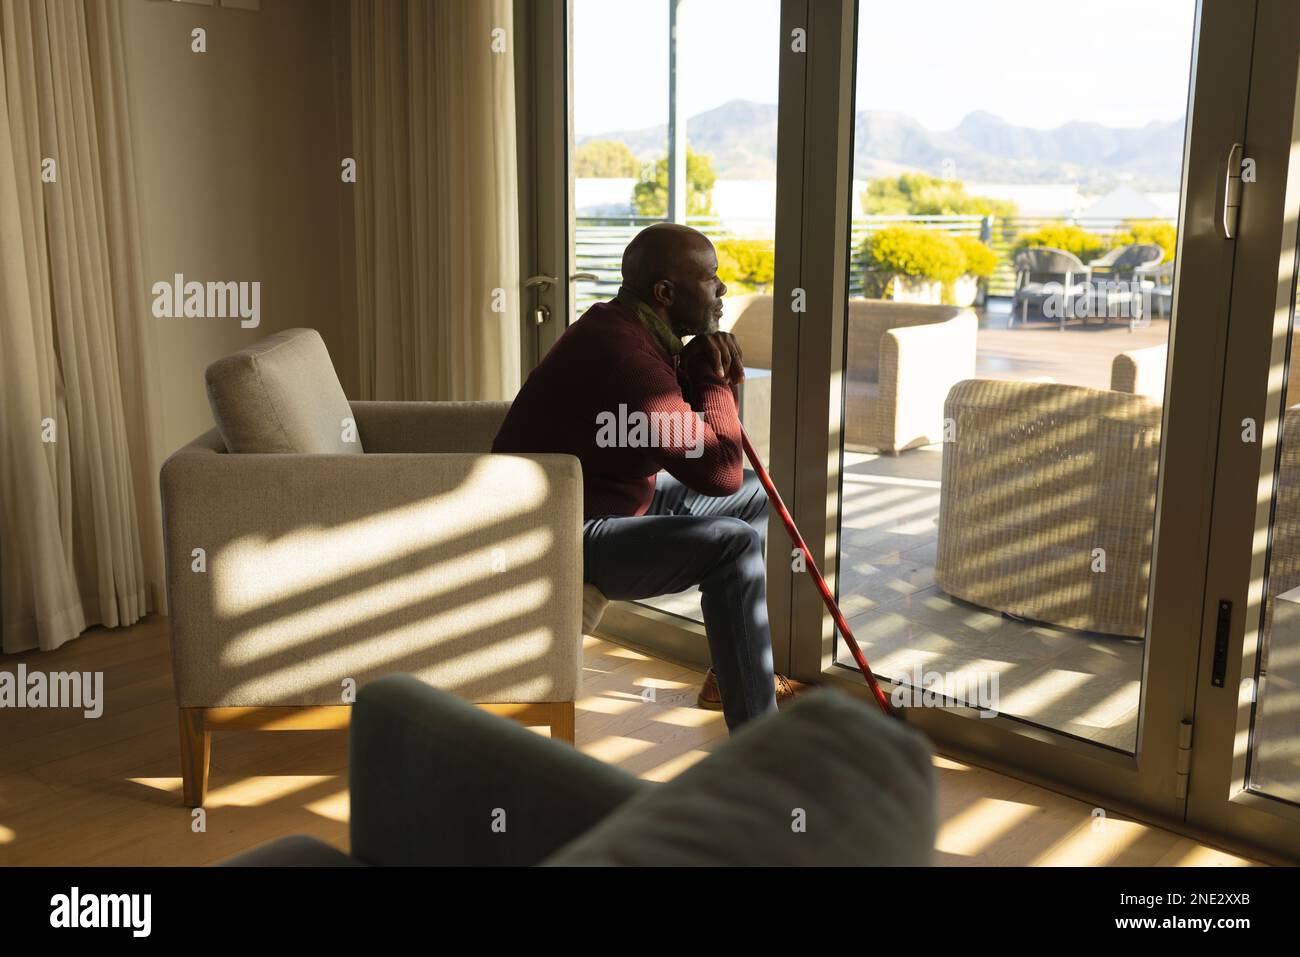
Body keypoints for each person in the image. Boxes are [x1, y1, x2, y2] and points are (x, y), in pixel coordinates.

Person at [492, 223, 807, 731]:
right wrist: (710, 374)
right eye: (710, 278)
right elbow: (719, 472)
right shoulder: (626, 358)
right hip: (560, 535)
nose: (723, 290)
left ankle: (732, 676)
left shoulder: (621, 326)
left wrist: (696, 362)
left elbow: (712, 467)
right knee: (734, 542)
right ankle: (761, 740)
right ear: (665, 293)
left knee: (756, 497)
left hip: (607, 504)